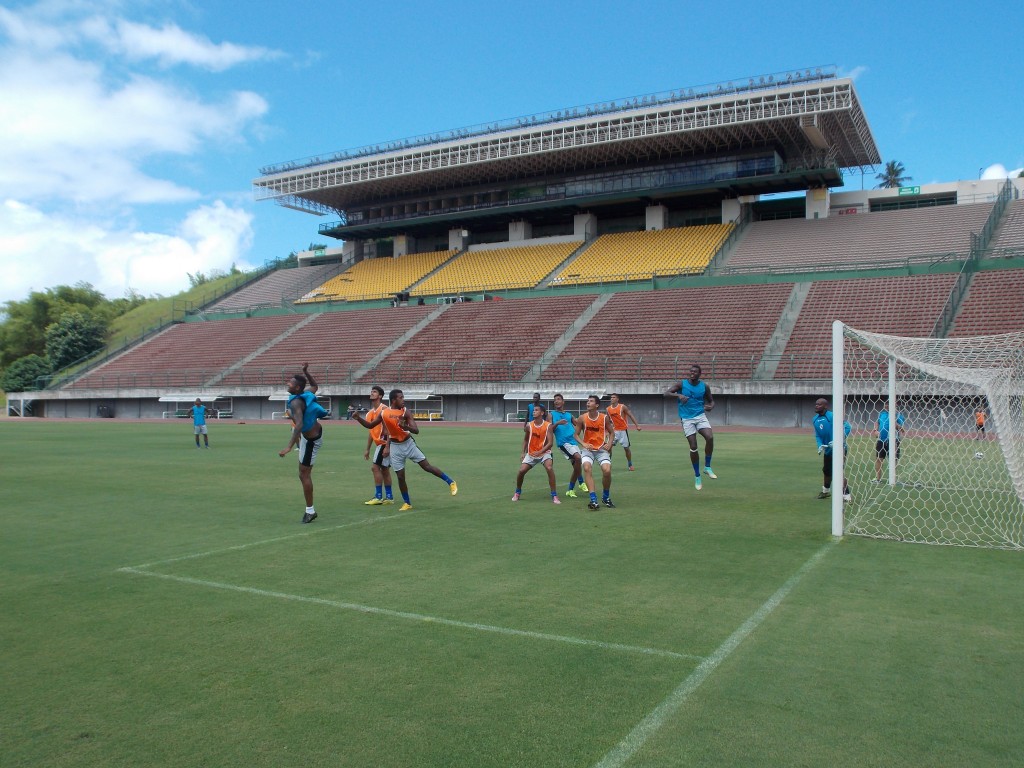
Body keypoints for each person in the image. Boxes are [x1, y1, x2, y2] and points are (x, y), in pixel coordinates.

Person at [352, 389, 457, 510]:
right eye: (400, 398)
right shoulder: (384, 413)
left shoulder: (405, 412)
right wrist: (358, 418)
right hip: (395, 448)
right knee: (400, 476)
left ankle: (450, 482)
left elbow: (416, 430)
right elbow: (370, 426)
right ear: (393, 400)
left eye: (403, 397)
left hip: (408, 444)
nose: (403, 400)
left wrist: (405, 426)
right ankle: (407, 503)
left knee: (426, 466)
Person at [278, 363, 327, 523]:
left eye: (291, 383)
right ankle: (310, 509)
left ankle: (310, 511)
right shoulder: (304, 393)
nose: (288, 384)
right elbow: (314, 385)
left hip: (311, 440)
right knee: (302, 473)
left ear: (297, 388)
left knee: (304, 474)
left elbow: (298, 425)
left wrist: (289, 446)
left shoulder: (296, 403)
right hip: (310, 436)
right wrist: (306, 372)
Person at [666, 364, 716, 491]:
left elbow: (711, 401)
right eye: (691, 371)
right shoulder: (682, 384)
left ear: (700, 374)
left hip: (700, 416)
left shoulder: (704, 386)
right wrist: (679, 395)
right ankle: (697, 475)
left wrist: (711, 406)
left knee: (709, 437)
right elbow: (666, 393)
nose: (692, 373)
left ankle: (707, 467)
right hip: (687, 419)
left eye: (695, 372)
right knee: (693, 447)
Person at [513, 403, 560, 504]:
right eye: (533, 410)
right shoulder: (529, 426)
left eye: (536, 410)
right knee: (521, 471)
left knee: (549, 468)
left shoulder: (548, 426)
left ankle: (554, 495)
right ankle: (517, 492)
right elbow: (526, 440)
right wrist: (523, 452)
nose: (534, 412)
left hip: (544, 453)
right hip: (531, 453)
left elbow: (550, 443)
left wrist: (540, 451)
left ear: (542, 413)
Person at [575, 394, 615, 510]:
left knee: (607, 471)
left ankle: (606, 497)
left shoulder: (604, 418)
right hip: (588, 450)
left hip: (601, 449)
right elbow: (575, 434)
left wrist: (609, 443)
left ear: (597, 405)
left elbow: (612, 432)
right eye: (587, 401)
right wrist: (583, 444)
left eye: (591, 401)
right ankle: (593, 499)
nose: (588, 403)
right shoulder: (582, 418)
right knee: (587, 468)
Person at [812, 397, 851, 501]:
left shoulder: (833, 416)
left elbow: (847, 427)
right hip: (828, 450)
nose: (816, 406)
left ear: (825, 406)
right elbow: (817, 435)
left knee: (838, 470)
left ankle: (846, 495)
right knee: (827, 471)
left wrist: (838, 441)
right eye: (816, 404)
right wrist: (820, 445)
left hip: (840, 448)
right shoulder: (815, 419)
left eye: (819, 404)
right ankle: (825, 492)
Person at [550, 393, 588, 498]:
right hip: (563, 443)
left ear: (563, 401)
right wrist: (557, 423)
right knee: (578, 458)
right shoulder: (551, 414)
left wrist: (584, 423)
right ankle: (581, 483)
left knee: (577, 464)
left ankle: (571, 489)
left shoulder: (569, 414)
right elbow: (548, 429)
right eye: (555, 400)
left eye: (558, 399)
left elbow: (577, 423)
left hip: (573, 442)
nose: (556, 401)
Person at [362, 385, 394, 505]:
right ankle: (389, 497)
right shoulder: (369, 414)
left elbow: (390, 429)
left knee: (375, 468)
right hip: (379, 444)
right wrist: (367, 449)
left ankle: (378, 496)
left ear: (380, 396)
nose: (372, 393)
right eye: (371, 391)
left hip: (384, 443)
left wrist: (387, 446)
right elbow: (371, 431)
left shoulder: (384, 409)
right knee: (384, 469)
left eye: (374, 392)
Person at [606, 393, 642, 470]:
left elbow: (630, 415)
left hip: (622, 431)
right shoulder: (608, 409)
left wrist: (637, 425)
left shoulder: (622, 407)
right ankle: (608, 463)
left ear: (617, 399)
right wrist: (606, 431)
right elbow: (608, 421)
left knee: (626, 448)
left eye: (614, 397)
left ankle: (630, 464)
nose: (612, 398)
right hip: (613, 431)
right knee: (609, 448)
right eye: (611, 397)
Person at [874, 405, 906, 482]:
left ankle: (893, 479)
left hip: (894, 440)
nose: (887, 406)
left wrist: (894, 423)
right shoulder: (882, 414)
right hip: (881, 440)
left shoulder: (898, 415)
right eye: (886, 404)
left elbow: (902, 429)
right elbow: (877, 422)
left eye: (889, 405)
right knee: (879, 459)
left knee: (894, 460)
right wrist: (875, 430)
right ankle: (878, 479)